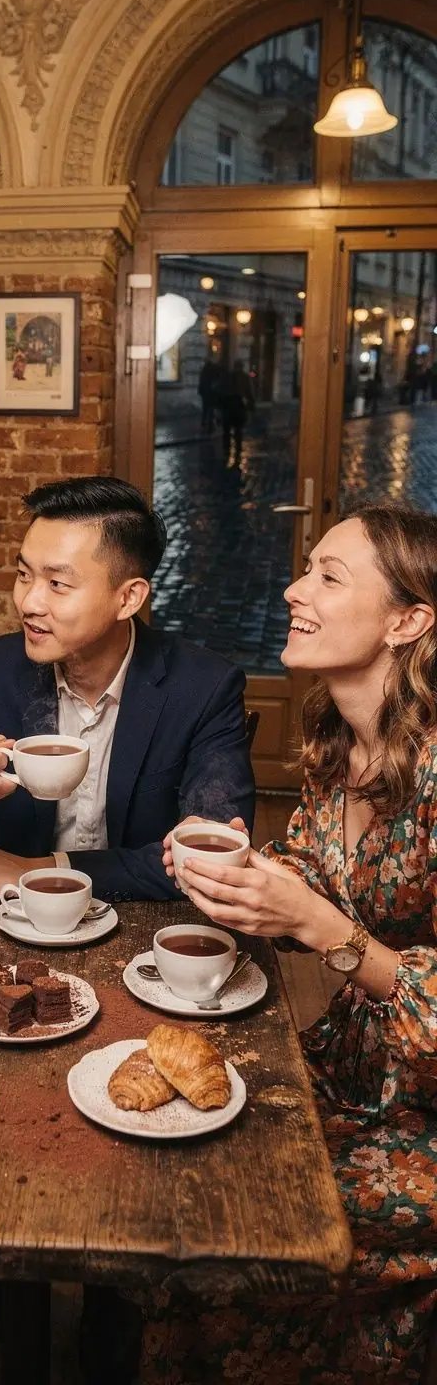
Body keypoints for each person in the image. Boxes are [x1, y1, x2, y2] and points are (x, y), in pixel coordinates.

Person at [142, 502, 437, 1383]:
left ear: (409, 620)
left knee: (236, 1232)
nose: (292, 588)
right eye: (306, 568)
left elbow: (330, 919)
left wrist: (328, 932)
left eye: (328, 577)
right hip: (349, 1069)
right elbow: (310, 869)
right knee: (177, 1176)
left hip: (421, 1115)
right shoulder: (338, 743)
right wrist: (234, 871)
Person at [0, 476, 255, 905]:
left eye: (57, 584)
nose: (29, 602)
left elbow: (210, 864)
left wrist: (42, 870)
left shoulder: (203, 688)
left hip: (143, 932)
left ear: (129, 598)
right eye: (23, 574)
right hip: (17, 922)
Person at [219, 361, 253, 466]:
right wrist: (251, 409)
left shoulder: (227, 377)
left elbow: (221, 392)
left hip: (228, 408)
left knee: (226, 432)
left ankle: (226, 452)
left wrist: (219, 407)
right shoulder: (245, 378)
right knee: (238, 432)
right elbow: (249, 394)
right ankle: (237, 452)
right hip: (238, 408)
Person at [197, 357, 222, 432]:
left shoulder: (204, 369)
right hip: (211, 393)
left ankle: (204, 424)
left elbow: (201, 382)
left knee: (205, 409)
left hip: (205, 393)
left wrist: (201, 392)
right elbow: (217, 380)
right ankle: (210, 425)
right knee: (211, 409)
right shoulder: (214, 369)